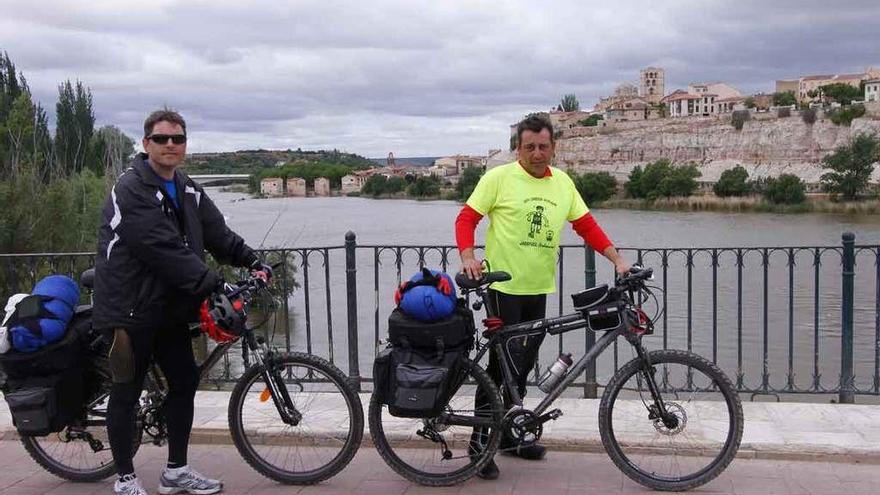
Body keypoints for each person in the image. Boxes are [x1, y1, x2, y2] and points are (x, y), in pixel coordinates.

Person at [93, 109, 272, 495]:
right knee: (127, 389)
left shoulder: (187, 188)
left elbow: (217, 233)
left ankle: (175, 471)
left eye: (178, 139)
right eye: (161, 139)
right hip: (128, 308)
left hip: (168, 307)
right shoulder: (131, 188)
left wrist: (253, 260)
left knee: (185, 381)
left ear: (185, 146)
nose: (170, 145)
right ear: (146, 145)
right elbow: (164, 249)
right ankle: (124, 478)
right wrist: (214, 285)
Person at [455, 114, 629, 480]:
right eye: (529, 146)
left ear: (553, 148)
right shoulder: (498, 178)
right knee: (499, 371)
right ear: (518, 148)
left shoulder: (562, 183)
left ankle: (510, 438)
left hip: (538, 288)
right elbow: (466, 218)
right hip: (503, 289)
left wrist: (617, 259)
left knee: (522, 368)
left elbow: (586, 226)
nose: (537, 153)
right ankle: (478, 445)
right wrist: (468, 256)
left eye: (543, 146)